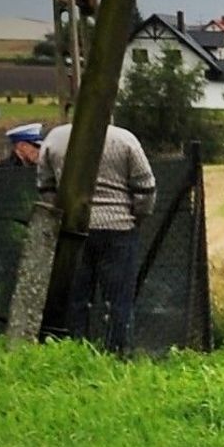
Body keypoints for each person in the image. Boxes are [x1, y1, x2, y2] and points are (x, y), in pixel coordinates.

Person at [37, 123, 156, 353]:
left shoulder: (55, 139)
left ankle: (76, 351)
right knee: (118, 301)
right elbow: (146, 188)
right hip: (118, 228)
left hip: (72, 230)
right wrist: (136, 216)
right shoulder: (125, 139)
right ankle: (117, 353)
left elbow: (45, 185)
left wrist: (61, 214)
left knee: (75, 300)